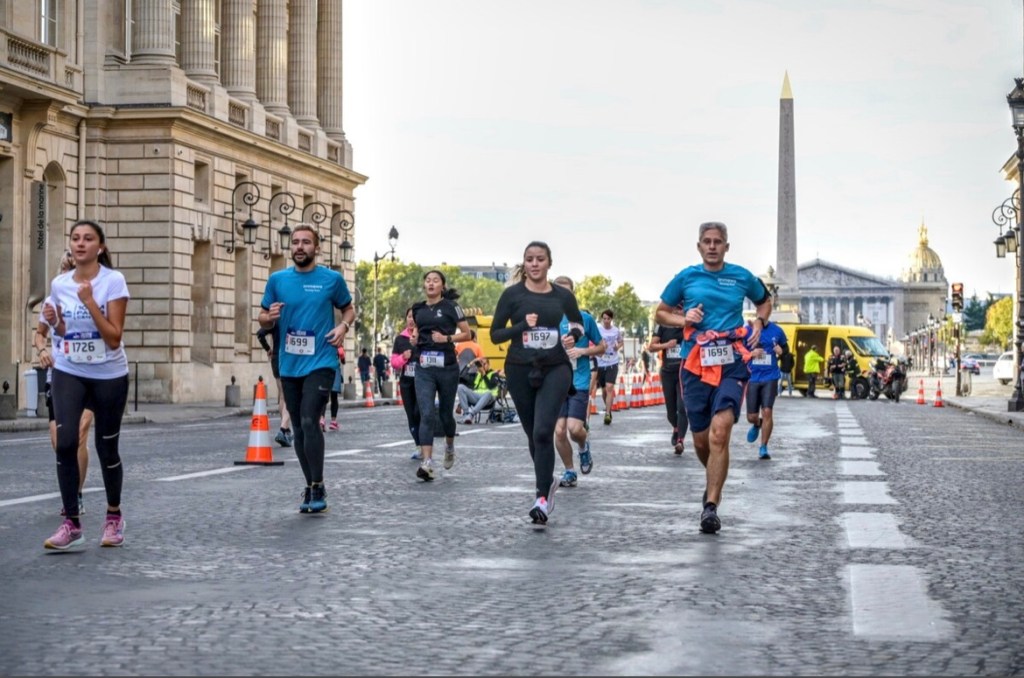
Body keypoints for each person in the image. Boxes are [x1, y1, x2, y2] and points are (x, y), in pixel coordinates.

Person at [655, 221, 771, 535]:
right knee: (702, 439)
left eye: (718, 241)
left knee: (721, 433)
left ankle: (711, 506)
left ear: (726, 246)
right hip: (695, 363)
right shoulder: (686, 277)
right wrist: (684, 318)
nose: (712, 246)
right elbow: (661, 312)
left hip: (732, 360)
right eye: (706, 241)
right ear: (698, 246)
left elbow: (765, 300)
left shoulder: (741, 276)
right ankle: (713, 477)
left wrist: (759, 322)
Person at [41, 220, 131, 550]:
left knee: (107, 447)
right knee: (66, 442)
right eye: (75, 238)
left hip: (108, 374)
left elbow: (113, 337)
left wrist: (91, 301)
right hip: (69, 370)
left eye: (88, 239)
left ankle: (113, 517)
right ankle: (71, 522)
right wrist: (56, 323)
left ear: (100, 247)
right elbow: (64, 332)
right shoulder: (59, 283)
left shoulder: (113, 281)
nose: (80, 244)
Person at [258, 223, 355, 514]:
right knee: (298, 427)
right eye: (296, 242)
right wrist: (268, 317)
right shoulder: (277, 280)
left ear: (317, 247)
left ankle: (319, 483)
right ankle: (310, 483)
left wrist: (343, 326)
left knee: (311, 420)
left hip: (322, 361)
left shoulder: (331, 279)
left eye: (306, 242)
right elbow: (262, 316)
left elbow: (349, 308)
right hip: (289, 363)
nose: (300, 247)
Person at [490, 242, 584, 524]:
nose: (534, 264)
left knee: (544, 431)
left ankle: (541, 498)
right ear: (524, 264)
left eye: (539, 259)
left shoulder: (561, 296)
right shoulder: (512, 296)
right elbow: (495, 335)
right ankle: (547, 480)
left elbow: (577, 324)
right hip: (519, 368)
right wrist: (522, 327)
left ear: (549, 263)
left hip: (555, 366)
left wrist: (573, 337)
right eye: (529, 259)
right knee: (533, 435)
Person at [34, 249, 94, 517]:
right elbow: (40, 334)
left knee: (79, 435)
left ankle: (75, 496)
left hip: (91, 376)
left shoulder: (96, 298)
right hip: (57, 377)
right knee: (60, 443)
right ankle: (72, 490)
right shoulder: (51, 300)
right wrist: (42, 350)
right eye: (66, 269)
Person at [412, 270, 472, 480]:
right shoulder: (418, 308)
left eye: (435, 280)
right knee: (426, 413)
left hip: (447, 367)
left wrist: (446, 338)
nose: (431, 283)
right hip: (424, 367)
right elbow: (417, 330)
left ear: (442, 286)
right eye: (427, 280)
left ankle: (449, 445)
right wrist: (414, 337)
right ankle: (427, 462)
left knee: (446, 415)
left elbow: (467, 333)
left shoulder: (451, 307)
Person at [552, 275, 604, 487]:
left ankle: (583, 447)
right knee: (559, 430)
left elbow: (601, 347)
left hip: (579, 381)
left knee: (574, 429)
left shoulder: (584, 319)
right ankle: (569, 471)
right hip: (555, 382)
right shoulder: (549, 320)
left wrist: (582, 350)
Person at [744, 318, 789, 460]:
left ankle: (763, 447)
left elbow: (786, 351)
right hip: (752, 377)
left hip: (770, 376)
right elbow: (739, 351)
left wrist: (781, 352)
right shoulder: (747, 330)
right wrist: (751, 353)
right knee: (751, 417)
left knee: (767, 411)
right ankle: (758, 423)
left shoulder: (777, 330)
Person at [646, 308, 689, 455]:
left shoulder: (689, 326)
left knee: (682, 407)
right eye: (676, 309)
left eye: (681, 309)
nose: (678, 312)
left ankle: (680, 441)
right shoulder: (663, 326)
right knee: (671, 412)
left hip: (684, 373)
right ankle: (676, 428)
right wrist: (666, 345)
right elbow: (651, 347)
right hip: (668, 372)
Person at [391, 308, 421, 459]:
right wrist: (403, 357)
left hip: (422, 382)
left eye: (414, 317)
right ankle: (419, 446)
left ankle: (425, 444)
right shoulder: (400, 339)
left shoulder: (423, 337)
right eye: (409, 316)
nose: (411, 320)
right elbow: (394, 363)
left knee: (419, 412)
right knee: (411, 415)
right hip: (406, 383)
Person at [256, 324, 292, 447]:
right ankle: (283, 429)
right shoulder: (292, 317)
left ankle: (286, 429)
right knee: (289, 396)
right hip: (289, 357)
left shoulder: (275, 320)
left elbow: (260, 334)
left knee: (282, 396)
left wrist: (268, 349)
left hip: (276, 358)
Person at [595, 309, 624, 425]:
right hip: (601, 361)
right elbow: (594, 341)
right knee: (603, 390)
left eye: (608, 319)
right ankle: (609, 408)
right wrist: (601, 346)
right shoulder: (598, 330)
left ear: (611, 319)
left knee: (609, 387)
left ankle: (607, 413)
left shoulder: (616, 330)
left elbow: (621, 342)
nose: (606, 321)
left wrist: (617, 347)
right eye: (604, 318)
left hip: (613, 361)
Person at [456, 357, 502, 424]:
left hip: (488, 399)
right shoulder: (477, 375)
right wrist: (470, 364)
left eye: (484, 364)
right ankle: (466, 415)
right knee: (460, 387)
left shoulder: (494, 374)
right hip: (476, 397)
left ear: (489, 365)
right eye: (480, 364)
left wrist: (484, 374)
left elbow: (491, 386)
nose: (482, 366)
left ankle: (471, 414)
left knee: (489, 393)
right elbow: (462, 376)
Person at [324, 345, 346, 431]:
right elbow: (343, 359)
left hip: (324, 369)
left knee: (323, 396)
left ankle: (322, 419)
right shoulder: (337, 343)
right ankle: (333, 421)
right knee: (334, 397)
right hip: (334, 369)